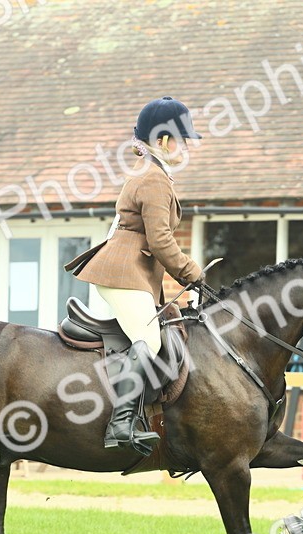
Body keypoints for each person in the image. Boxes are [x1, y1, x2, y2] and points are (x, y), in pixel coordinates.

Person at [62, 96, 204, 455]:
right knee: (150, 341)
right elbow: (160, 241)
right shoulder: (154, 179)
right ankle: (120, 424)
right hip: (123, 272)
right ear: (162, 141)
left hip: (132, 271)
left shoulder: (153, 174)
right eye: (181, 139)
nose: (185, 146)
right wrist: (192, 273)